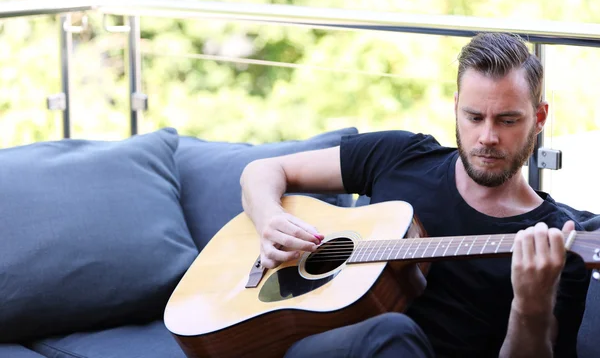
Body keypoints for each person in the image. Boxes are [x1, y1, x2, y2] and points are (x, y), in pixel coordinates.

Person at [240, 33, 590, 357]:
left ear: (540, 118)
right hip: (319, 342)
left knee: (393, 334)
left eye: (507, 120)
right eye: (473, 116)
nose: (487, 136)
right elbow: (262, 171)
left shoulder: (560, 241)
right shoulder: (400, 155)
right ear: (456, 107)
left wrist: (531, 305)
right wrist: (271, 218)